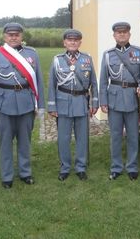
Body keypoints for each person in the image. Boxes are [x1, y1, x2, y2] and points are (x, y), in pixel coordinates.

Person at [0, 23, 45, 188]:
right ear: (4, 36)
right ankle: (7, 175)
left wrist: (41, 105)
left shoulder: (32, 54)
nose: (13, 37)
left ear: (21, 36)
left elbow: (38, 81)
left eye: (17, 34)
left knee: (25, 141)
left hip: (26, 102)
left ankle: (25, 172)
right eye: (10, 34)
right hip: (4, 104)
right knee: (5, 142)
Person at [48, 29, 99, 181]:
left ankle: (81, 167)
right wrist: (52, 106)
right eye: (69, 40)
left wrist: (94, 102)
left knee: (82, 137)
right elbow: (51, 84)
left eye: (76, 40)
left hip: (81, 102)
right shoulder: (57, 60)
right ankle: (64, 167)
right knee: (63, 138)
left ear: (80, 42)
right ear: (64, 42)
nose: (73, 42)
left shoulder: (87, 59)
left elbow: (94, 84)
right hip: (63, 102)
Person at [99, 22, 140, 181]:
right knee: (116, 135)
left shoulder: (138, 52)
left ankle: (132, 167)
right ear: (114, 36)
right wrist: (103, 101)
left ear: (129, 34)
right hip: (115, 99)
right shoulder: (107, 54)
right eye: (119, 33)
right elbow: (103, 80)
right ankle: (116, 167)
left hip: (132, 99)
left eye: (125, 32)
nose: (122, 35)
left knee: (133, 135)